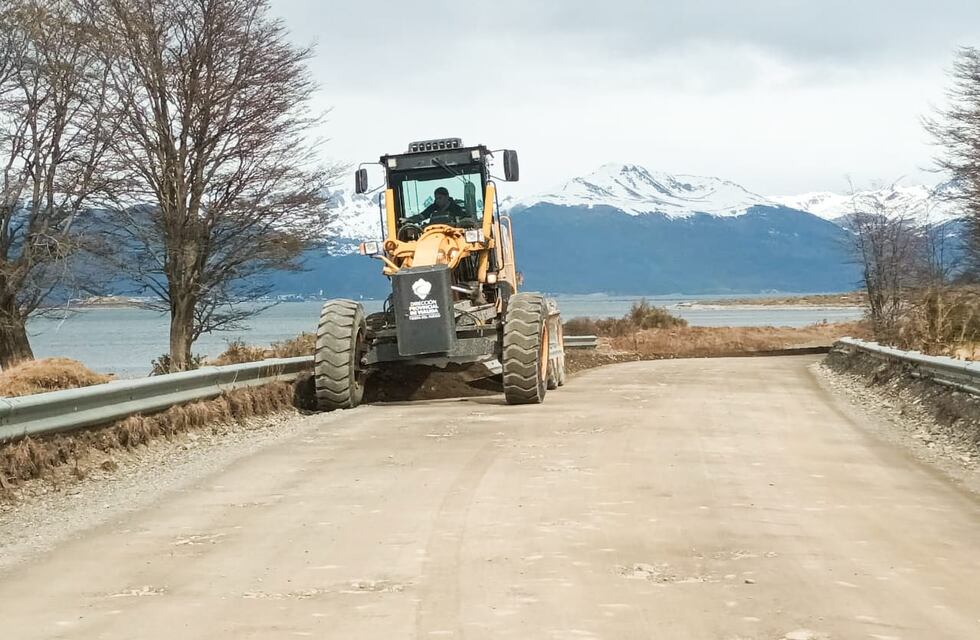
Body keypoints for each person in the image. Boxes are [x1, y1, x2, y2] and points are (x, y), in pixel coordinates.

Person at [403, 186, 474, 227]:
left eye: (440, 198)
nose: (437, 200)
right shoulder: (433, 207)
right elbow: (421, 216)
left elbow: (466, 221)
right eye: (436, 198)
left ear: (447, 197)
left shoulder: (457, 208)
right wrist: (409, 220)